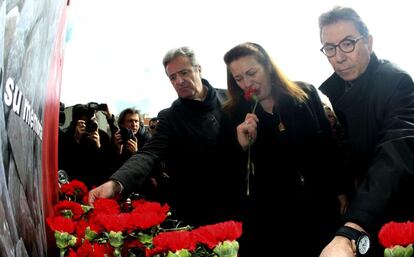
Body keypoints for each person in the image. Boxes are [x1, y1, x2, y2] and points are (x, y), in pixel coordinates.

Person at [219, 42, 344, 256]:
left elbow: (328, 147)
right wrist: (240, 146)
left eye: (251, 73)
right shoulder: (231, 113)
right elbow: (226, 173)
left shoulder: (304, 94)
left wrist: (341, 190)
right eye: (238, 78)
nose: (247, 83)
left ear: (268, 66)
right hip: (272, 218)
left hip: (319, 207)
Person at [88, 46, 225, 227]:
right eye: (173, 77)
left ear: (198, 69)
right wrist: (115, 183)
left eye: (184, 72)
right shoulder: (170, 117)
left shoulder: (232, 98)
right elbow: (148, 154)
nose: (179, 81)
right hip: (200, 213)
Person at [318, 6, 414, 257]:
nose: (338, 56)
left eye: (347, 43)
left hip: (395, 208)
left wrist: (352, 228)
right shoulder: (338, 91)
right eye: (329, 48)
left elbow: (394, 154)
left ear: (368, 43)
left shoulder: (396, 81)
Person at [58, 103, 118, 188]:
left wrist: (99, 146)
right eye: (84, 122)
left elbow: (110, 163)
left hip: (96, 187)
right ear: (76, 122)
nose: (88, 125)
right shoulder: (67, 134)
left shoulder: (103, 136)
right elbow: (65, 164)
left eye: (91, 121)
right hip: (74, 188)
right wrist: (76, 141)